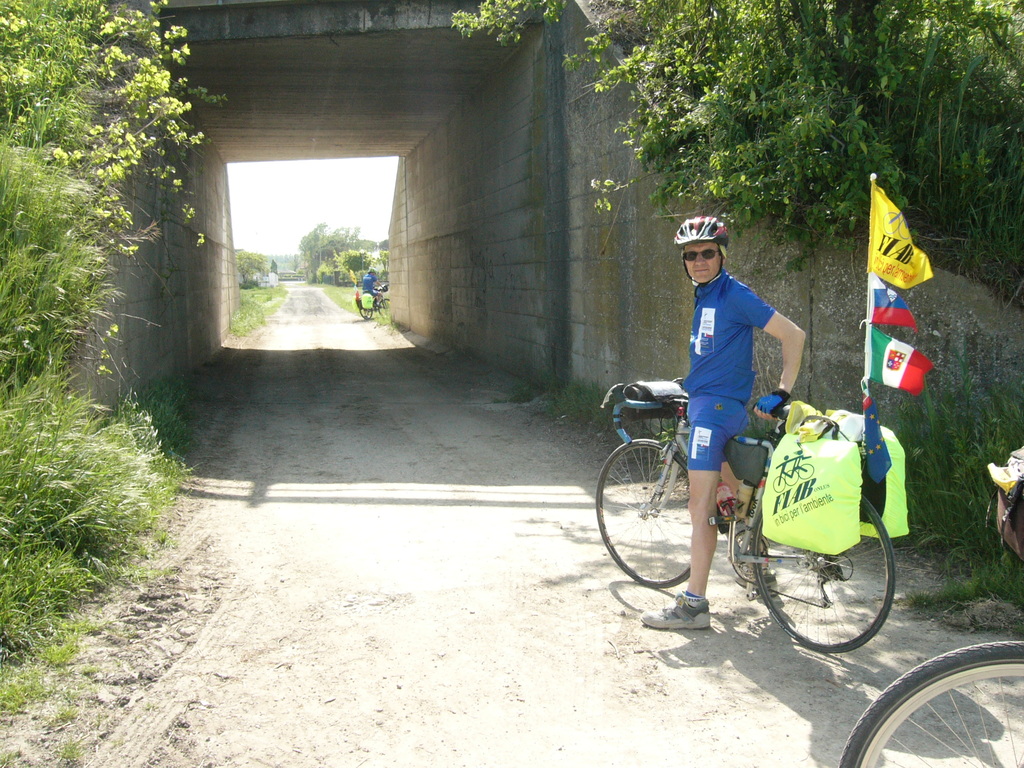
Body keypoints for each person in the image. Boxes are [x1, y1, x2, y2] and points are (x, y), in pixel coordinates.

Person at [641, 215, 806, 631]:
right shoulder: (706, 294)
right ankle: (757, 558)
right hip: (709, 406)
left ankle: (693, 605)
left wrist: (783, 390)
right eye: (691, 255)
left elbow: (794, 335)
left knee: (699, 508)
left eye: (707, 253)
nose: (699, 260)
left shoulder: (734, 295)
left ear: (722, 255)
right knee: (729, 494)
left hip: (714, 415)